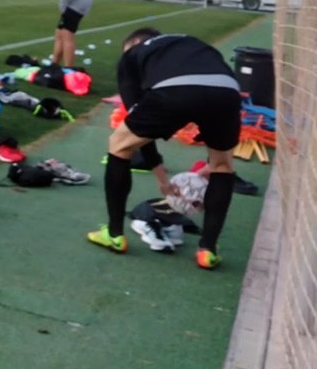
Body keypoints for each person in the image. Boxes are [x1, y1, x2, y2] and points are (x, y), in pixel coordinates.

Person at [87, 28, 242, 270]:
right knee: (222, 165)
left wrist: (162, 178)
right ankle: (208, 250)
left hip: (176, 89)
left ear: (135, 44)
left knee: (119, 144)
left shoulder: (131, 55)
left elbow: (139, 127)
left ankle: (114, 234)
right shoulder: (191, 40)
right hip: (227, 90)